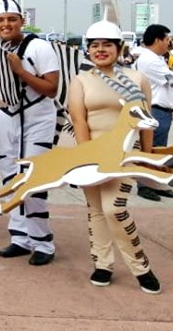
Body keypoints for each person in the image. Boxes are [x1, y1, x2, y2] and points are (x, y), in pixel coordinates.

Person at [68, 19, 162, 294]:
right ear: (88, 49)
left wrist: (147, 155)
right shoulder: (81, 80)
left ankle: (141, 267)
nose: (100, 50)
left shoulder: (137, 79)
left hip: (125, 156)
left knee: (114, 209)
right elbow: (78, 119)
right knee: (96, 210)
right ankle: (103, 265)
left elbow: (147, 120)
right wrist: (86, 158)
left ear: (119, 48)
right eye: (94, 45)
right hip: (90, 153)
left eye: (107, 45)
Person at [0, 0, 60, 266]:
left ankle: (43, 242)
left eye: (11, 19)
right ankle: (20, 237)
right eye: (0, 20)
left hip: (38, 118)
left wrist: (20, 71)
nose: (6, 24)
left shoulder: (40, 47)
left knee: (33, 179)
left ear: (22, 21)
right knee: (10, 178)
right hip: (6, 116)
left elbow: (51, 88)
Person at [134, 24, 173, 201]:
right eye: (167, 39)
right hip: (156, 111)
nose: (170, 42)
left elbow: (172, 73)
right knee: (150, 151)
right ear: (157, 40)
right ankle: (145, 186)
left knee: (159, 151)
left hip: (162, 111)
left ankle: (157, 184)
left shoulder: (156, 58)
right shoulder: (149, 60)